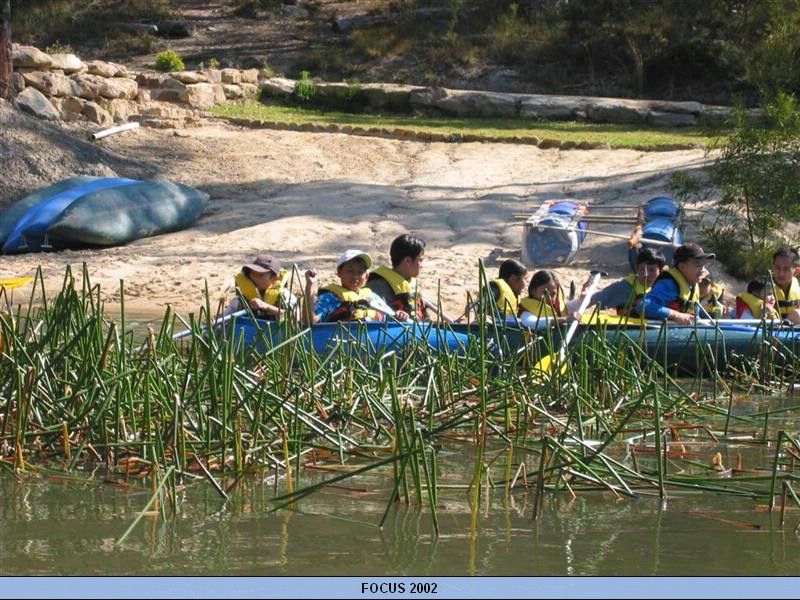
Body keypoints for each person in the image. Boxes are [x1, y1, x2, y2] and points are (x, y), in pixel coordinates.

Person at [302, 249, 406, 324]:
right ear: (339, 272)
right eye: (350, 271)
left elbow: (392, 318)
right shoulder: (330, 298)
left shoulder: (373, 298)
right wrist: (309, 287)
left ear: (367, 276)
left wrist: (400, 315)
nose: (355, 276)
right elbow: (311, 322)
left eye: (360, 272)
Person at [637, 243, 715, 324]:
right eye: (698, 265)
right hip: (655, 331)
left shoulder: (693, 285)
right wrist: (677, 315)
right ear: (682, 267)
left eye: (703, 265)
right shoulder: (669, 284)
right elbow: (643, 306)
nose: (703, 270)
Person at [367, 234, 429, 321]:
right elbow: (374, 319)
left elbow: (425, 319)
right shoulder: (377, 287)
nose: (422, 266)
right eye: (420, 260)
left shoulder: (411, 285)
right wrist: (395, 317)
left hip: (416, 331)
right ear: (407, 261)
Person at [589, 247, 666, 316]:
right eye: (642, 269)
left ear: (661, 271)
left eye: (652, 270)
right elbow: (593, 299)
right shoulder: (625, 286)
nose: (646, 274)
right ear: (637, 269)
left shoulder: (663, 287)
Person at [231, 254, 295, 319]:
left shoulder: (285, 296)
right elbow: (224, 320)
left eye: (260, 276)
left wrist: (267, 307)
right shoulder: (241, 299)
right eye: (252, 274)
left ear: (275, 278)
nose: (254, 279)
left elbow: (295, 317)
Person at [518, 270, 587, 324]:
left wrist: (581, 300)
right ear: (533, 291)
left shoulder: (556, 303)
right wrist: (565, 320)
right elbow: (531, 322)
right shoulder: (526, 308)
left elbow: (567, 308)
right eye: (545, 293)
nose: (550, 298)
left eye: (553, 293)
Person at [771, 245, 800, 324]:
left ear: (797, 271)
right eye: (777, 268)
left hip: (792, 331)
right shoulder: (761, 288)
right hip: (766, 330)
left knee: (798, 314)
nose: (781, 273)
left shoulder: (798, 291)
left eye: (786, 269)